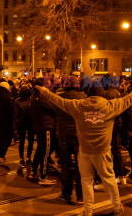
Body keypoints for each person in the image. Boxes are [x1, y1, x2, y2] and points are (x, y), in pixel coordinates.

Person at [35, 81, 132, 216]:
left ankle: (88, 210)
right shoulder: (111, 106)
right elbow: (129, 99)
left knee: (86, 180)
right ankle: (117, 206)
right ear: (103, 94)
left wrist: (45, 92)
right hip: (102, 151)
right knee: (109, 179)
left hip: (84, 151)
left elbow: (59, 101)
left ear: (88, 94)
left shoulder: (78, 106)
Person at [55, 76, 86, 204]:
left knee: (65, 166)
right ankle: (80, 196)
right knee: (81, 166)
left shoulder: (59, 96)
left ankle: (66, 193)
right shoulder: (83, 97)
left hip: (63, 134)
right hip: (79, 135)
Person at [29, 78, 58, 186]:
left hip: (39, 126)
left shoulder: (34, 96)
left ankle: (33, 170)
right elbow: (54, 108)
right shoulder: (42, 97)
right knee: (46, 151)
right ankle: (43, 176)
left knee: (40, 149)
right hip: (46, 127)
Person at [0, 82, 14, 164]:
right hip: (5, 121)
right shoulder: (6, 98)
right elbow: (9, 112)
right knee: (6, 139)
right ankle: (0, 155)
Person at [14, 85, 34, 170]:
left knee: (22, 142)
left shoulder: (17, 101)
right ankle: (28, 158)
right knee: (30, 141)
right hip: (30, 123)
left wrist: (14, 128)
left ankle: (22, 159)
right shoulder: (32, 101)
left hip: (21, 124)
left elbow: (15, 115)